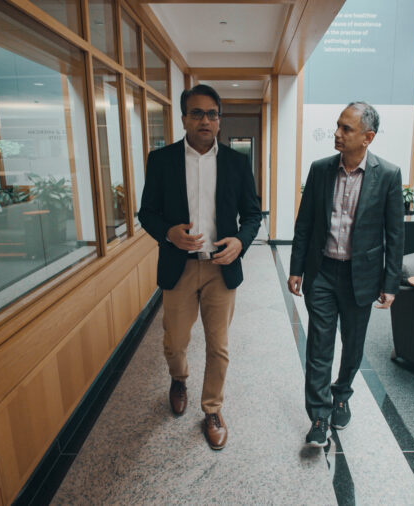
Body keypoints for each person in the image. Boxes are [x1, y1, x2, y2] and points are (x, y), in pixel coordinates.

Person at [138, 84, 261, 450]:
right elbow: (147, 213)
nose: (205, 120)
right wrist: (169, 234)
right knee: (175, 342)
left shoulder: (237, 162)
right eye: (197, 113)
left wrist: (240, 241)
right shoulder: (161, 161)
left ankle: (212, 408)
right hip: (179, 265)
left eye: (212, 114)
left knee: (218, 345)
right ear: (184, 118)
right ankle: (179, 379)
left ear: (219, 120)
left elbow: (253, 214)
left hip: (221, 268)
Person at [287, 102, 404, 447]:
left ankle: (342, 394)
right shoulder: (320, 169)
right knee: (319, 347)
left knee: (352, 345)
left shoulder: (388, 175)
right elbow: (304, 223)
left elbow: (394, 235)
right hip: (322, 272)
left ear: (367, 137)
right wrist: (296, 268)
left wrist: (390, 283)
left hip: (361, 277)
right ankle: (320, 417)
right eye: (338, 126)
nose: (337, 134)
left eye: (346, 129)